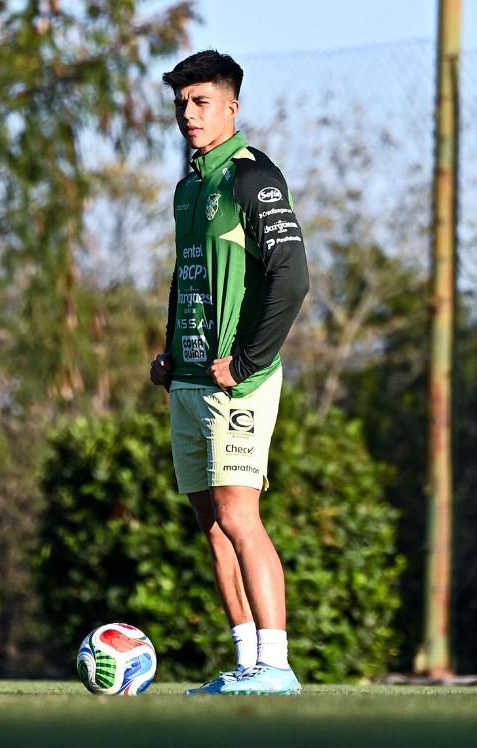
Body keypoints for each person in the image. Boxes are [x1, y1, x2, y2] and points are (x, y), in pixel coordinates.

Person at [149, 51, 310, 695]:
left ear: (231, 106)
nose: (189, 114)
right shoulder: (192, 187)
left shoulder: (252, 178)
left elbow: (292, 279)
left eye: (202, 101)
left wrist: (245, 361)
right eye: (182, 103)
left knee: (241, 518)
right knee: (212, 527)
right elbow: (185, 275)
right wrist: (170, 352)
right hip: (188, 381)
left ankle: (276, 665)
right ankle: (247, 663)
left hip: (235, 383)